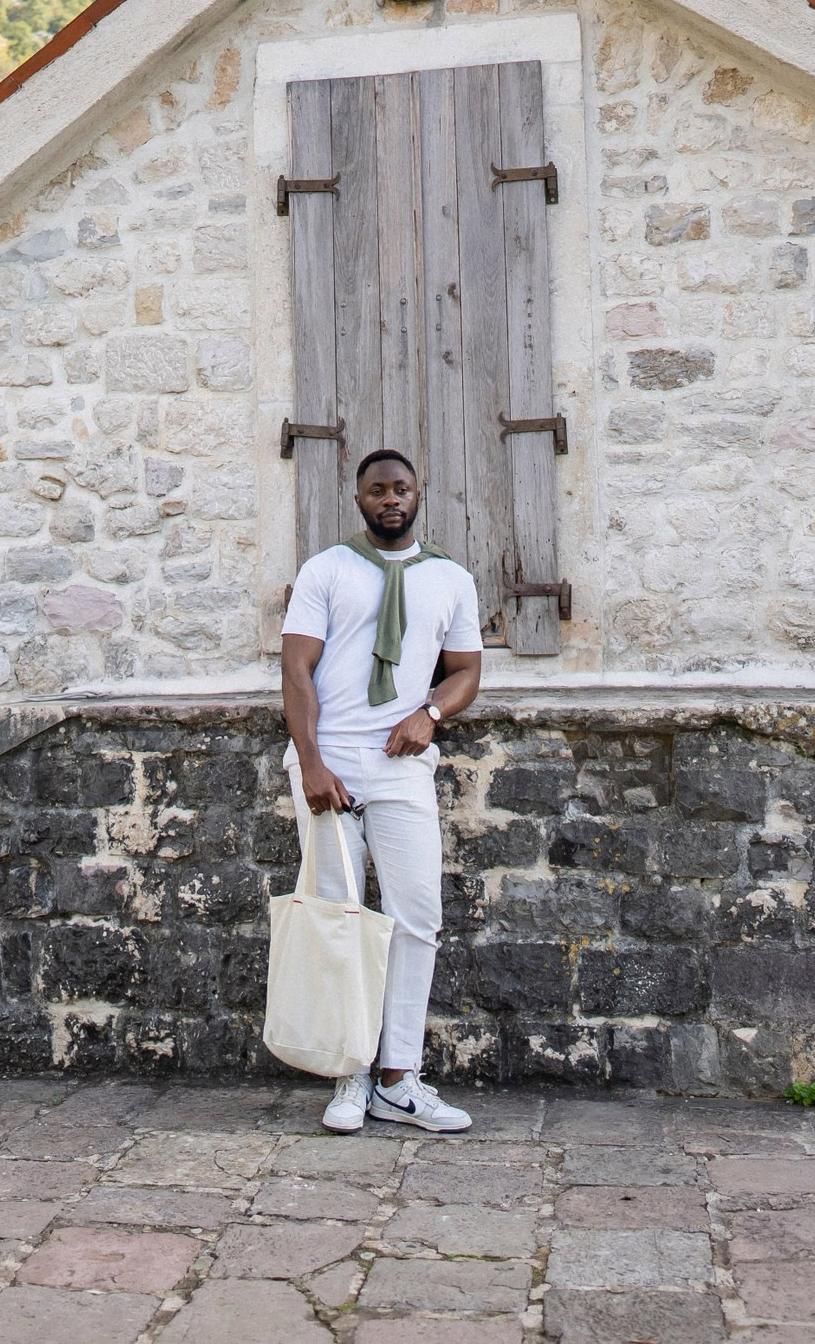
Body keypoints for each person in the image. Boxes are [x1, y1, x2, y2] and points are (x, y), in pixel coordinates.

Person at [279, 447, 483, 1133]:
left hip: (401, 764)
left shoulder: (451, 578)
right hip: (331, 760)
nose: (390, 499)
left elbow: (465, 671)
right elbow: (296, 671)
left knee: (417, 916)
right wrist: (311, 763)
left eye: (401, 489)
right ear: (359, 499)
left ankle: (399, 1078)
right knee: (339, 916)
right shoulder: (327, 569)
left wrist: (431, 714)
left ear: (418, 494)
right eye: (377, 490)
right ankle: (350, 1074)